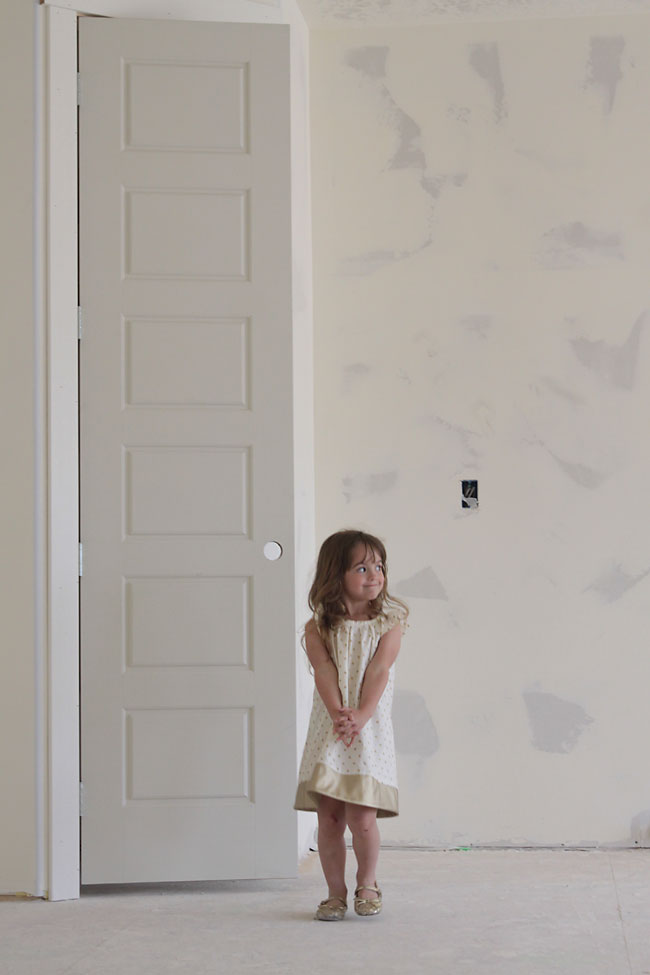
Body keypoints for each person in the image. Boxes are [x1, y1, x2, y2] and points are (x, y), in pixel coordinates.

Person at [294, 529, 409, 921]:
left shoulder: (390, 622)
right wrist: (339, 712)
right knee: (328, 817)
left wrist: (360, 714)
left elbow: (379, 668)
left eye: (378, 566)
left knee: (362, 818)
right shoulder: (318, 627)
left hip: (368, 728)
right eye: (362, 567)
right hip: (332, 727)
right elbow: (323, 669)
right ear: (335, 575)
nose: (374, 575)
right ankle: (334, 893)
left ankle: (368, 882)